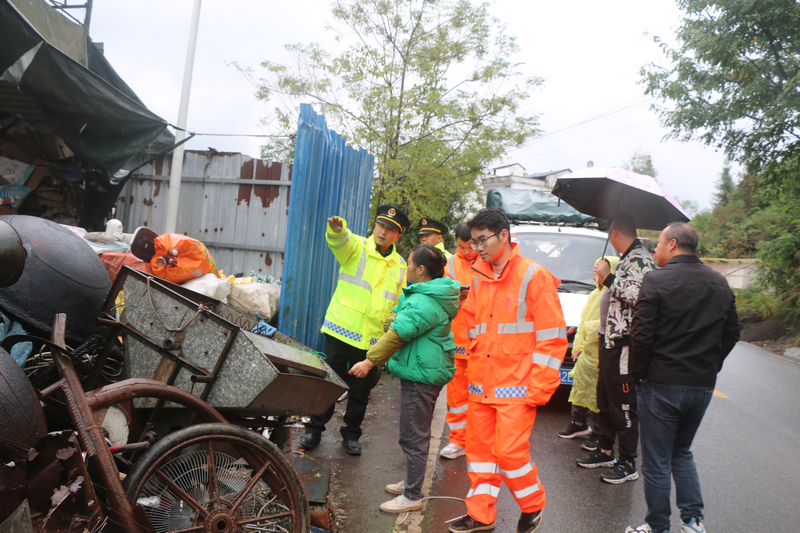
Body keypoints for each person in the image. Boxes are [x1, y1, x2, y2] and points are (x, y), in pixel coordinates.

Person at [450, 208, 567, 533]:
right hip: (481, 385)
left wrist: (539, 388)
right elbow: (471, 327)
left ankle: (533, 505)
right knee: (480, 454)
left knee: (509, 452)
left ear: (504, 236)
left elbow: (552, 338)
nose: (477, 247)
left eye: (482, 240)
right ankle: (480, 515)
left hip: (517, 388)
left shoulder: (533, 276)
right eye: (473, 242)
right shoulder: (479, 277)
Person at [625, 223, 739, 533]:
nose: (655, 250)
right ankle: (693, 521)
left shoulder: (656, 281)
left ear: (672, 244)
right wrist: (710, 364)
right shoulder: (720, 283)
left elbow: (641, 334)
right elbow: (732, 332)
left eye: (659, 244)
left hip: (661, 383)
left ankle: (658, 526)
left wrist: (639, 374)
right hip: (701, 386)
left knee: (657, 460)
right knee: (681, 452)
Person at [348, 244, 460, 513]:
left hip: (422, 375)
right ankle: (412, 481)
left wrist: (369, 361)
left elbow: (396, 332)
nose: (406, 267)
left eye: (409, 263)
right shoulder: (426, 293)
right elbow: (393, 321)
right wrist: (395, 319)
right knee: (413, 433)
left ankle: (412, 496)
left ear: (421, 270)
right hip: (422, 370)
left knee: (414, 436)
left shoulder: (423, 300)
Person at [298, 205, 410, 456]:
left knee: (361, 392)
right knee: (329, 383)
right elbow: (340, 243)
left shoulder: (400, 266)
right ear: (375, 226)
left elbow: (399, 301)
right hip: (341, 330)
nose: (383, 231)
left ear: (397, 236)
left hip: (372, 340)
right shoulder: (357, 246)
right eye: (381, 225)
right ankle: (314, 430)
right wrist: (337, 231)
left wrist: (390, 328)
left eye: (391, 229)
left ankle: (351, 436)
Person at [577, 213, 656, 484]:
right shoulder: (627, 258)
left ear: (615, 233)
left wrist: (609, 278)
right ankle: (606, 449)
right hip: (610, 340)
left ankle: (628, 461)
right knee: (605, 399)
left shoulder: (641, 259)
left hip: (624, 342)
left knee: (623, 404)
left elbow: (639, 297)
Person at [558, 256, 620, 444]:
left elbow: (605, 326)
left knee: (597, 397)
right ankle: (578, 424)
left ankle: (599, 434)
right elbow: (583, 322)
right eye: (595, 266)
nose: (595, 270)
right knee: (579, 390)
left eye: (600, 267)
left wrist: (587, 337)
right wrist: (577, 346)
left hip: (600, 355)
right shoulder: (594, 293)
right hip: (586, 354)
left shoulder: (614, 295)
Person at [440, 222, 479, 460]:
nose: (465, 251)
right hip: (457, 341)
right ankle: (458, 440)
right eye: (461, 246)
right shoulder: (450, 265)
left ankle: (477, 440)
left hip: (482, 344)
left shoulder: (489, 262)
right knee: (456, 397)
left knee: (481, 395)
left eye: (470, 246)